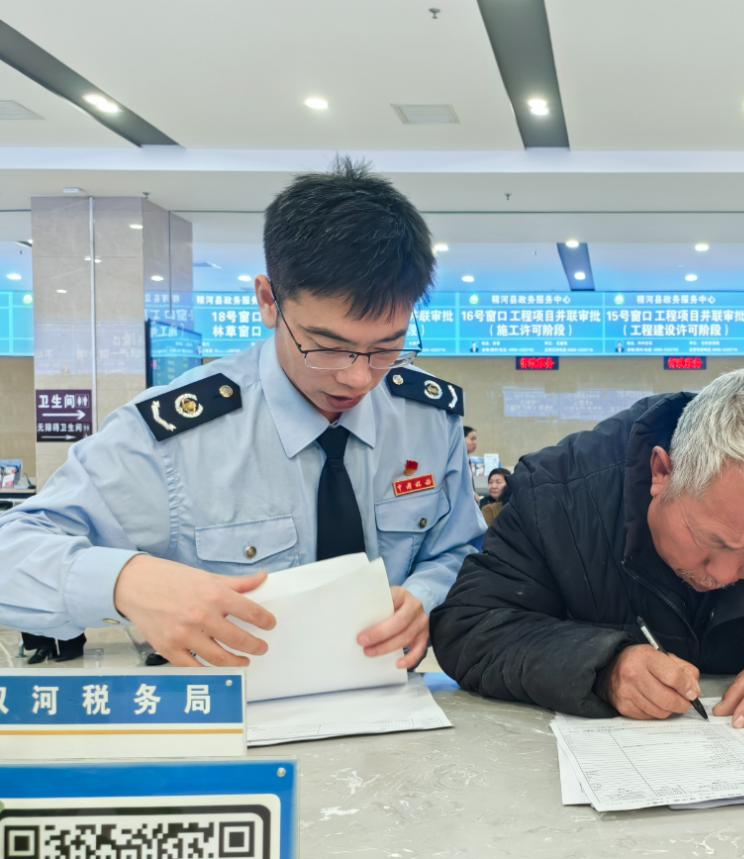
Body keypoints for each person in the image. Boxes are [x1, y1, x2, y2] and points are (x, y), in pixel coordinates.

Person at [0, 158, 484, 668]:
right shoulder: (174, 438)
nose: (358, 377)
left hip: (394, 695)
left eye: (387, 347)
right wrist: (128, 581)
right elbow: (13, 549)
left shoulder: (427, 418)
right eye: (326, 346)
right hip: (231, 702)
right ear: (269, 301)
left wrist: (426, 595)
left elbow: (460, 550)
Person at [431, 369, 744, 739]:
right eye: (714, 541)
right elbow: (472, 626)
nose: (726, 575)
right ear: (662, 472)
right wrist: (601, 666)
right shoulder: (562, 491)